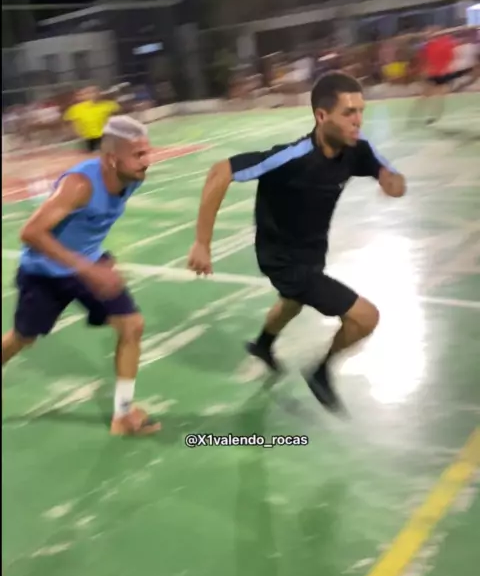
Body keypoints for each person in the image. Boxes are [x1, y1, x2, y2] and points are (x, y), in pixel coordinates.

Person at [187, 71, 406, 414]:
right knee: (366, 317)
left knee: (292, 303)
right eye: (349, 112)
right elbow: (220, 171)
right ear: (321, 115)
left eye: (360, 111)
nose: (358, 121)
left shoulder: (356, 149)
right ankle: (321, 372)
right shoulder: (292, 157)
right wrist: (202, 242)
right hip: (281, 257)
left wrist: (392, 183)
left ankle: (263, 345)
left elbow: (390, 176)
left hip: (311, 251)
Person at [2, 115, 160, 437]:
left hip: (88, 265)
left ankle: (123, 414)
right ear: (112, 159)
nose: (147, 161)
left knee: (132, 325)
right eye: (138, 154)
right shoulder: (79, 185)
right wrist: (88, 269)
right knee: (22, 339)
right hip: (44, 273)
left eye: (147, 152)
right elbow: (31, 233)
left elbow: (89, 224)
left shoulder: (132, 178)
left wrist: (98, 260)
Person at [64, 86, 120, 154]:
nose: (93, 95)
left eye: (95, 92)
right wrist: (75, 134)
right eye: (88, 93)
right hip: (88, 138)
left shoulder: (110, 105)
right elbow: (69, 124)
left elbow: (118, 120)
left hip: (107, 136)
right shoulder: (75, 109)